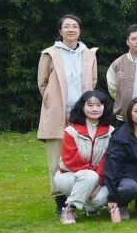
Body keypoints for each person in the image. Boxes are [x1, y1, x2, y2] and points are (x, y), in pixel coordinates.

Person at [37, 14, 99, 212]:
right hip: (57, 112)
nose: (71, 29)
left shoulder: (88, 54)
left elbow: (93, 80)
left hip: (82, 113)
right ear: (60, 31)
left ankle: (84, 194)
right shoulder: (50, 54)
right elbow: (42, 83)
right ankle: (59, 198)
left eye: (74, 26)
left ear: (80, 31)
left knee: (84, 153)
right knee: (56, 157)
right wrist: (52, 101)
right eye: (67, 26)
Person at [56, 91, 115, 224]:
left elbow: (107, 159)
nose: (95, 109)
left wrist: (99, 182)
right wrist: (94, 176)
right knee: (90, 177)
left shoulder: (110, 131)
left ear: (105, 107)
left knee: (101, 198)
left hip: (96, 178)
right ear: (82, 107)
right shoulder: (71, 130)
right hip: (68, 176)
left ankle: (89, 207)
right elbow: (71, 159)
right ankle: (69, 210)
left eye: (99, 105)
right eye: (90, 105)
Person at [106, 24, 137, 122]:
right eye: (134, 39)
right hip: (124, 115)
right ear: (127, 42)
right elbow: (112, 87)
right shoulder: (118, 63)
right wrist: (122, 98)